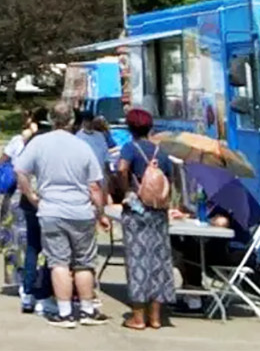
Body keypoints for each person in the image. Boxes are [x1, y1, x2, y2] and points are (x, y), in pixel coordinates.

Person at [13, 101, 112, 328]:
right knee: (84, 263)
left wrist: (31, 195)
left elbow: (20, 169)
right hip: (80, 210)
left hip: (51, 209)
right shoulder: (82, 146)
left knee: (58, 262)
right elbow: (95, 186)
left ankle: (65, 312)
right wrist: (100, 213)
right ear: (71, 121)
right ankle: (87, 309)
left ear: (50, 118)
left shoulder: (39, 143)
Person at [114, 108, 176, 331]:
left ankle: (138, 317)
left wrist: (126, 191)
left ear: (130, 128)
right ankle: (156, 317)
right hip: (158, 212)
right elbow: (170, 178)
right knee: (159, 261)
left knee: (138, 260)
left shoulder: (130, 147)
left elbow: (121, 169)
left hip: (137, 212)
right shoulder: (162, 151)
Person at [0, 108, 48, 313]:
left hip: (18, 196)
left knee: (18, 242)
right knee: (35, 243)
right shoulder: (45, 141)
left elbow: (2, 161)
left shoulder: (20, 140)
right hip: (36, 195)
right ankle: (38, 283)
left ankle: (22, 283)